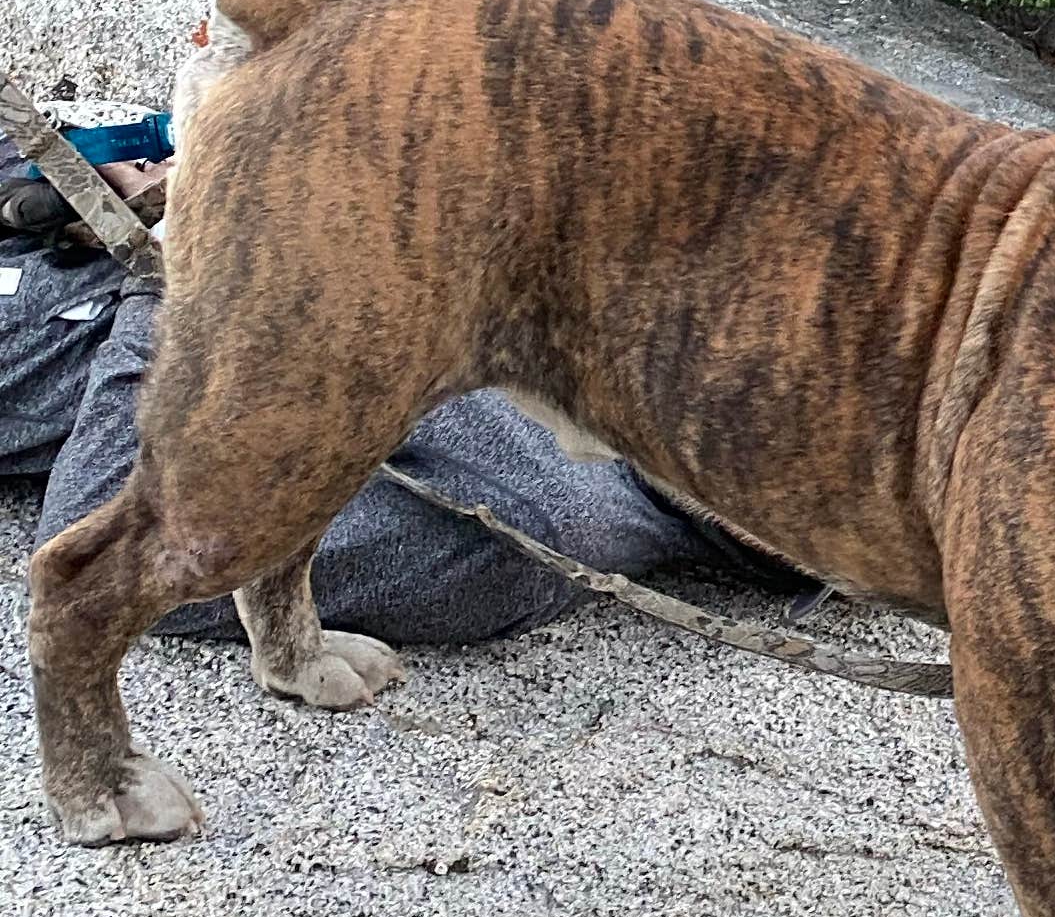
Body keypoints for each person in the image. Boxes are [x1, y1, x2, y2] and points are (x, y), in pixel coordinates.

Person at [2, 113, 709, 646]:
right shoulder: (546, 479)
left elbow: (100, 566)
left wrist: (166, 225)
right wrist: (148, 224)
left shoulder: (543, 518)